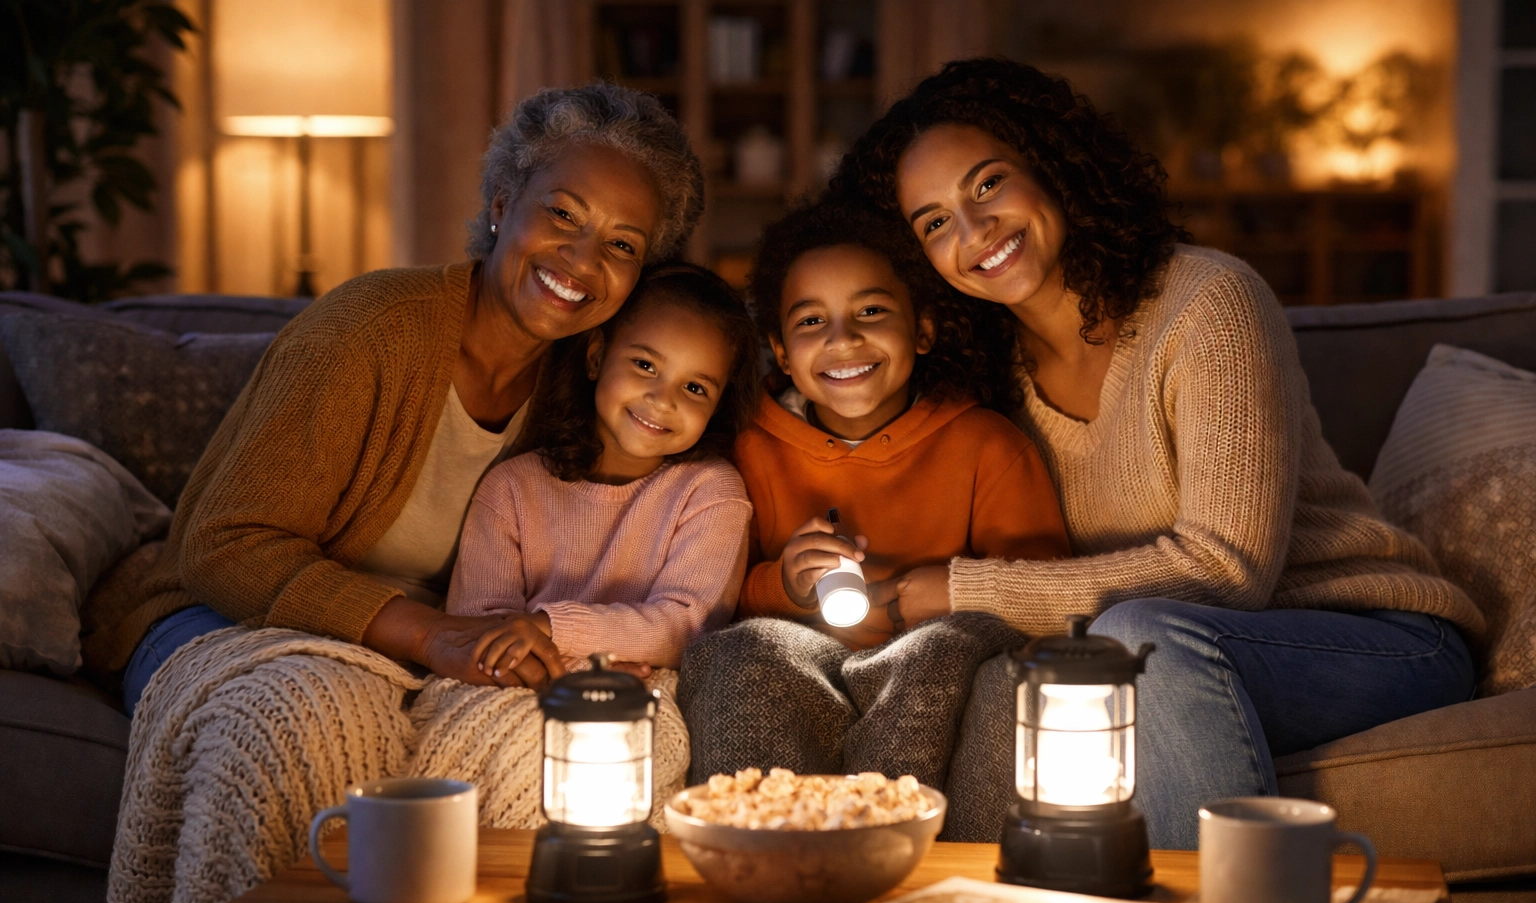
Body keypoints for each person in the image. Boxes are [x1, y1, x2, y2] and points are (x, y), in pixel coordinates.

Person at [829, 58, 1482, 846]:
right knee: (1042, 676)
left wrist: (959, 588)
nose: (973, 234)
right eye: (933, 223)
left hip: (1371, 641)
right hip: (1164, 651)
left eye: (987, 185)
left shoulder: (1207, 303)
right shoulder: (985, 379)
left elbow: (1226, 574)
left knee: (1142, 640)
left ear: (1051, 164)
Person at [105, 82, 705, 715]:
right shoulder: (368, 329)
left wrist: (583, 647)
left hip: (436, 652)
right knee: (301, 716)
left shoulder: (600, 380)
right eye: (562, 214)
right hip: (226, 621)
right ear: (502, 202)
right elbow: (225, 547)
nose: (583, 260)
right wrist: (431, 634)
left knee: (603, 728)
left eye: (621, 245)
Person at [678, 197, 1071, 794]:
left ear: (923, 331)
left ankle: (903, 846)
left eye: (871, 310)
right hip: (806, 662)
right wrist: (782, 582)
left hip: (936, 667)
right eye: (811, 321)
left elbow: (1040, 594)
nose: (844, 339)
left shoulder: (986, 444)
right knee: (746, 652)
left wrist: (941, 598)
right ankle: (769, 849)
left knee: (955, 653)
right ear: (781, 352)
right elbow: (713, 594)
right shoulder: (747, 448)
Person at [446, 263, 759, 678]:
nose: (663, 400)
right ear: (596, 357)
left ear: (717, 406)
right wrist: (586, 664)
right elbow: (484, 632)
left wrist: (550, 629)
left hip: (646, 691)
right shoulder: (510, 488)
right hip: (510, 686)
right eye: (645, 365)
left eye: (695, 388)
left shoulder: (710, 492)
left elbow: (687, 628)